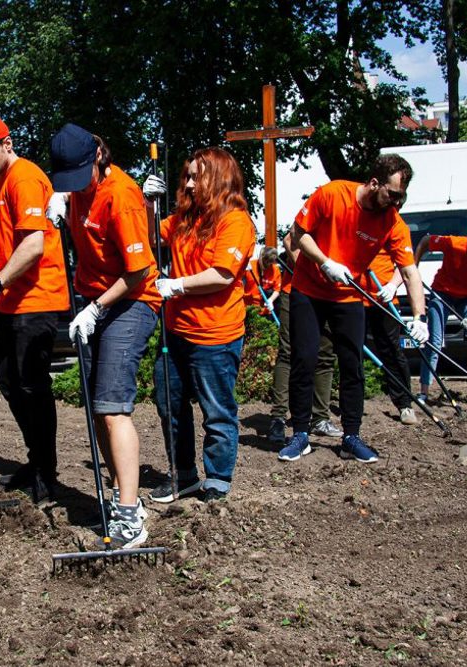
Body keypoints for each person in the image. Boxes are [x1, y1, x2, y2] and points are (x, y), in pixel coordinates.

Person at [47, 124, 159, 548]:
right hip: (95, 298)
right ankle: (119, 493)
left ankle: (130, 518)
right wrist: (56, 204)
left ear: (97, 155)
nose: (75, 187)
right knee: (96, 409)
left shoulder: (122, 197)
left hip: (131, 301)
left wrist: (96, 309)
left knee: (113, 408)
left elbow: (139, 271)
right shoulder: (76, 189)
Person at [281, 154, 428, 465]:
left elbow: (410, 271)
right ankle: (300, 435)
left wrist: (419, 317)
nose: (397, 201)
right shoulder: (333, 194)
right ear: (374, 183)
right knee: (304, 359)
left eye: (402, 195)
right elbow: (297, 234)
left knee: (353, 364)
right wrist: (325, 262)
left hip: (349, 296)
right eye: (393, 193)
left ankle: (351, 437)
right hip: (309, 291)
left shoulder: (392, 222)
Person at [0, 114, 69, 503]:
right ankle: (36, 458)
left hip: (36, 298)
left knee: (32, 385)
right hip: (11, 299)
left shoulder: (23, 176)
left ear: (6, 143)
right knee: (9, 381)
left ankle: (46, 469)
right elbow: (10, 233)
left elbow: (33, 246)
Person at [142, 147, 255, 504]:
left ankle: (218, 479)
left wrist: (176, 284)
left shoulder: (235, 222)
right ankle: (185, 475)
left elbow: (222, 274)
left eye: (197, 176)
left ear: (219, 179)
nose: (189, 184)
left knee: (217, 411)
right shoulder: (183, 220)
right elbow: (149, 238)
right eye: (186, 176)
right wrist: (149, 204)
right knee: (169, 405)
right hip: (175, 332)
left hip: (215, 336)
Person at [415, 220, 467, 404]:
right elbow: (425, 241)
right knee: (435, 341)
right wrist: (414, 267)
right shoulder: (454, 243)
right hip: (442, 293)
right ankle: (424, 391)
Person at [267, 241, 343, 443]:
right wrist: (313, 272)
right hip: (296, 290)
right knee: (288, 352)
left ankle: (320, 418)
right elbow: (290, 241)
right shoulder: (317, 211)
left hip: (331, 294)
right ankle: (279, 417)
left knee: (325, 355)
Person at [358, 250, 419, 423]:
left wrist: (392, 285)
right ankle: (354, 404)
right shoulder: (351, 228)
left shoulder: (390, 229)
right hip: (354, 299)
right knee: (354, 352)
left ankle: (404, 404)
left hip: (384, 299)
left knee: (392, 351)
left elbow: (404, 264)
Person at [243, 247, 280, 316]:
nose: (267, 266)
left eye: (270, 263)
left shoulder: (275, 269)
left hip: (265, 310)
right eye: (265, 262)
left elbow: (277, 289)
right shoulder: (249, 266)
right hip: (248, 308)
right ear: (260, 257)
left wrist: (271, 300)